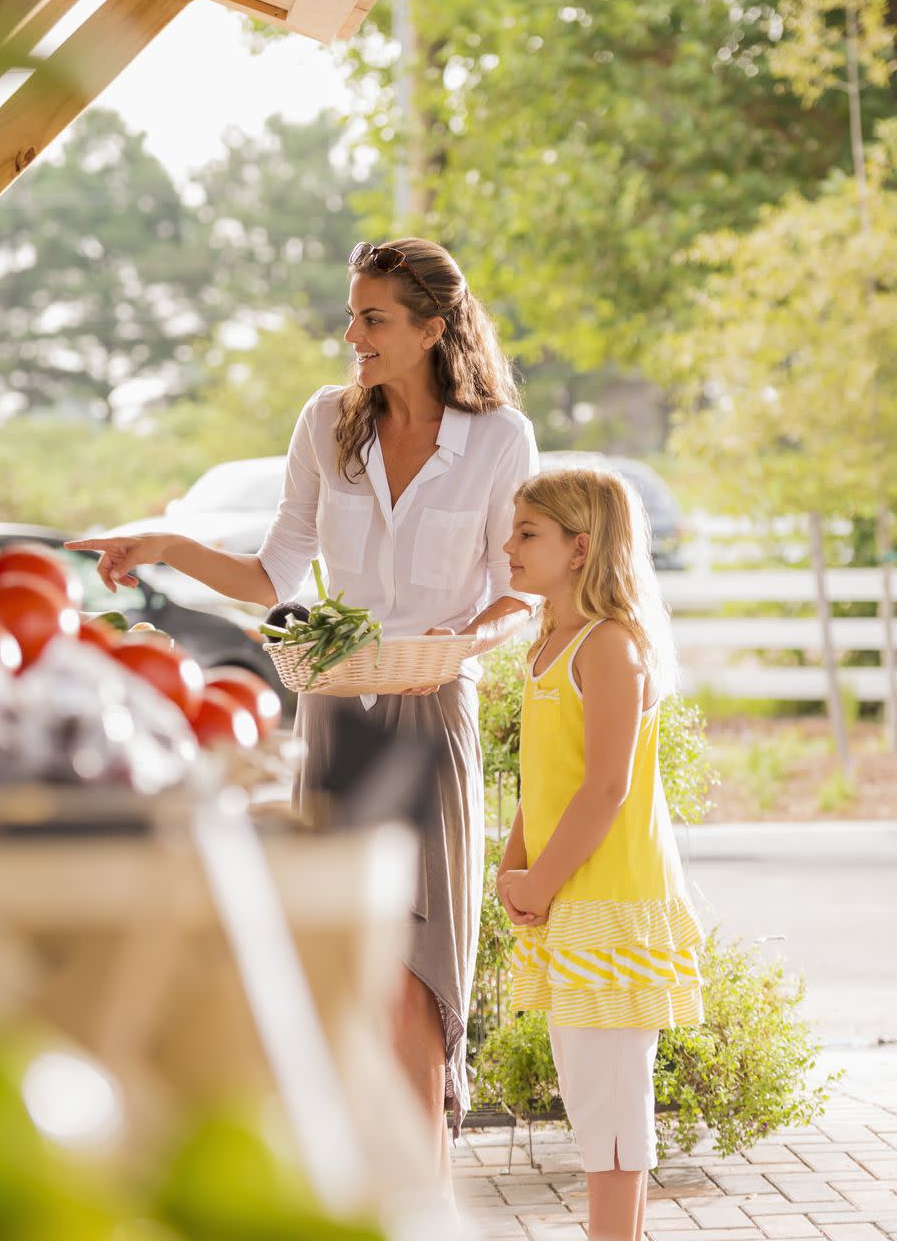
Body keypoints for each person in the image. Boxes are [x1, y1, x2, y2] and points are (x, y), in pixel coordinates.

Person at [67, 237, 538, 1174]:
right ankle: (361, 1183)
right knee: (343, 951)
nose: (352, 334)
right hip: (333, 708)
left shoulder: (498, 438)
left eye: (373, 318)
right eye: (352, 315)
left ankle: (425, 1195)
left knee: (423, 963)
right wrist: (164, 543)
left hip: (435, 714)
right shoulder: (328, 424)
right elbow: (272, 569)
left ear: (431, 330)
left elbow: (520, 587)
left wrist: (465, 643)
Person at [497, 467, 703, 1241]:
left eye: (528, 533)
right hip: (570, 902)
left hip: (610, 903)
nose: (508, 546)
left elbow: (606, 789)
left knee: (612, 1110)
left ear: (580, 548)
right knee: (594, 1102)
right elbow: (545, 780)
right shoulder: (550, 643)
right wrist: (514, 866)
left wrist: (541, 883)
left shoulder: (611, 647)